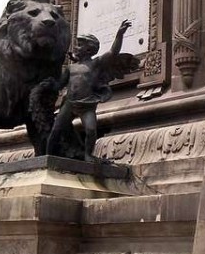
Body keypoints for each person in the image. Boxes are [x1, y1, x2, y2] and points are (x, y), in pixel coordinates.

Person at [46, 20, 138, 161]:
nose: (76, 47)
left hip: (86, 105)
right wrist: (49, 84)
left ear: (89, 50)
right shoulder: (71, 68)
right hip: (69, 104)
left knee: (90, 130)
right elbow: (59, 85)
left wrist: (119, 34)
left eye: (80, 45)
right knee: (56, 130)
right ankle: (47, 155)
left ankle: (88, 154)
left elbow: (113, 52)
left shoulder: (95, 64)